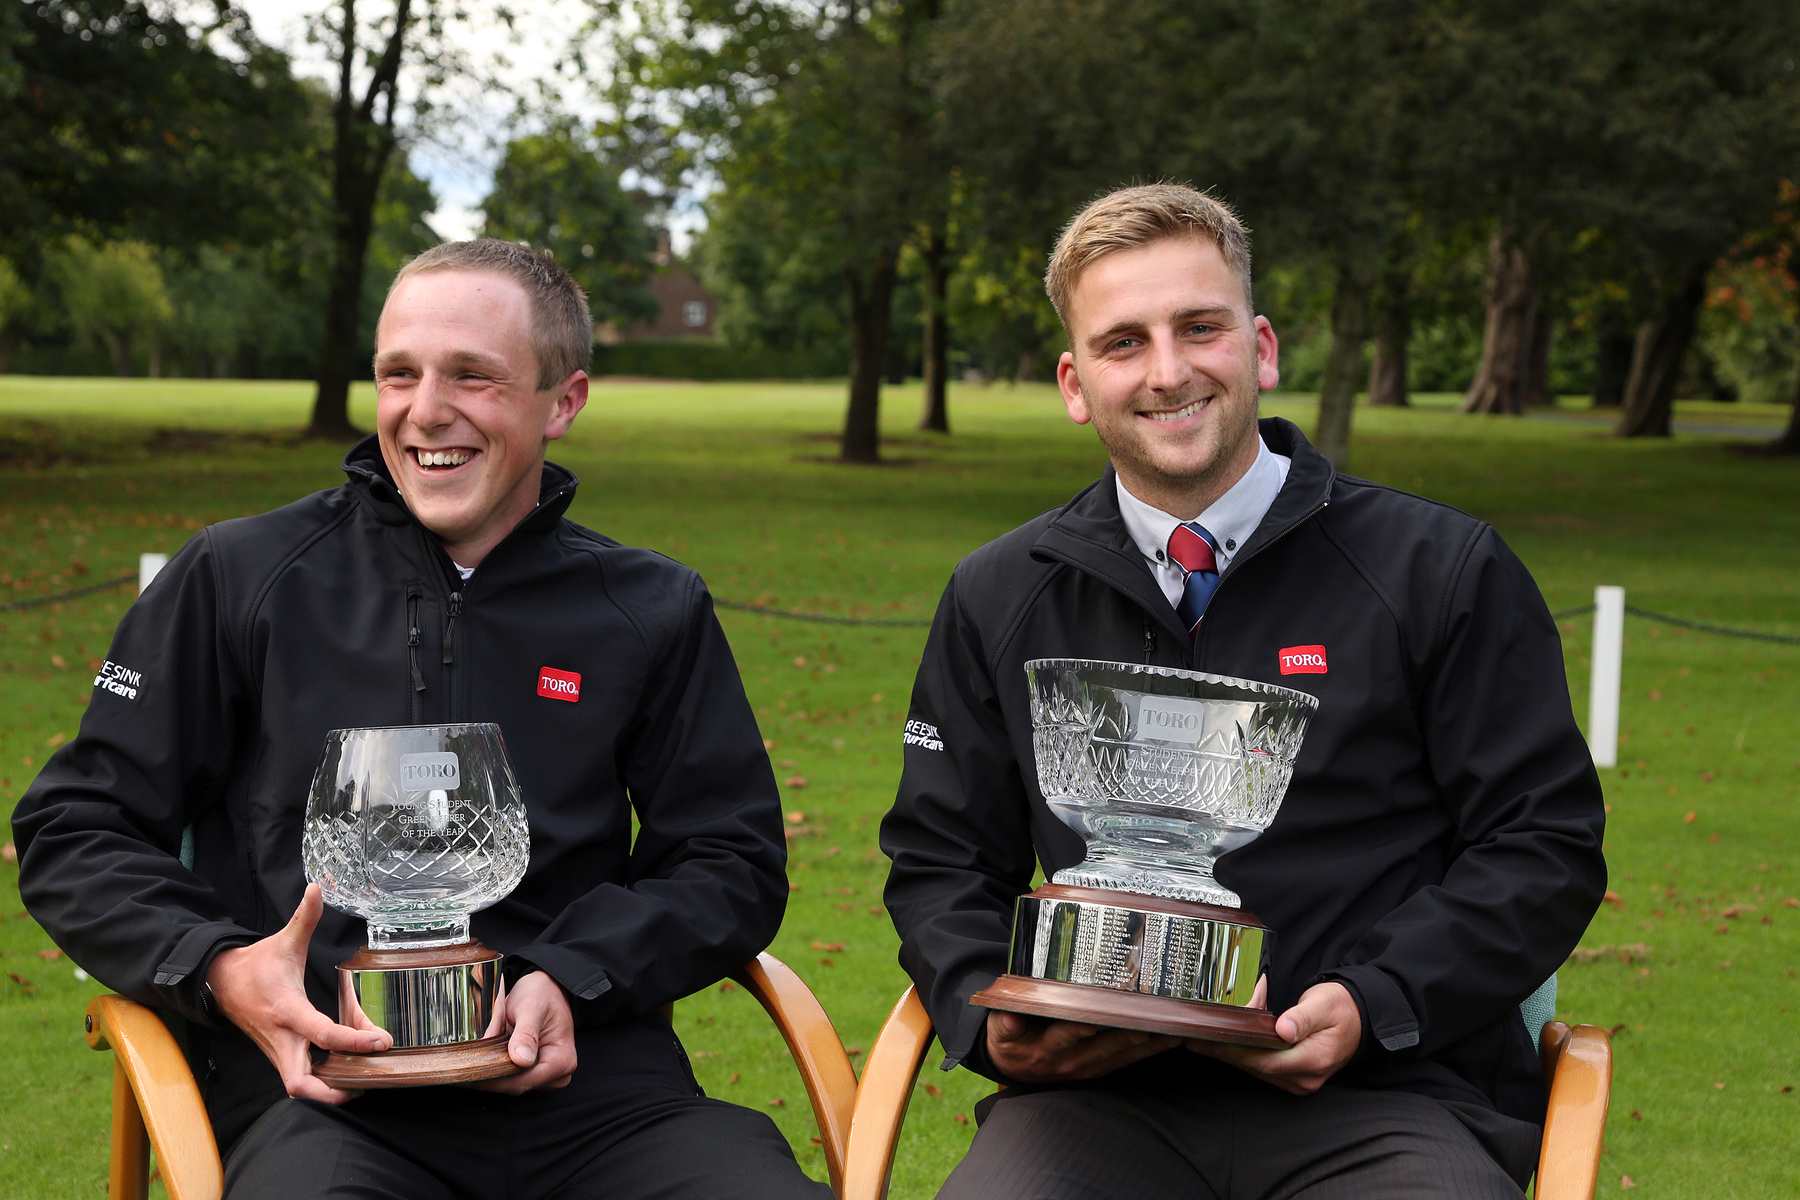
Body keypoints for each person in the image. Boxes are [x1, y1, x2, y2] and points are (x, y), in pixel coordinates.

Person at [13, 239, 829, 1200]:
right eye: (398, 374)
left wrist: (571, 975)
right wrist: (219, 966)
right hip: (320, 1096)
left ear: (561, 402)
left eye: (472, 377)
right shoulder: (241, 577)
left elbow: (729, 857)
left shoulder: (647, 607)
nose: (426, 411)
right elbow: (77, 828)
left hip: (596, 1091)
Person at [880, 184, 1607, 1199]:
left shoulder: (1441, 569)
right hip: (1096, 1108)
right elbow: (938, 857)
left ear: (1259, 350)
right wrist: (984, 1013)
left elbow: (1545, 845)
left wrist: (1373, 999)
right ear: (1076, 382)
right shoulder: (999, 594)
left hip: (1387, 1099)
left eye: (1201, 328)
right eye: (1123, 342)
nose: (1169, 371)